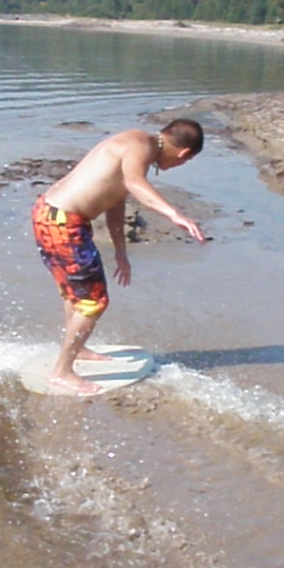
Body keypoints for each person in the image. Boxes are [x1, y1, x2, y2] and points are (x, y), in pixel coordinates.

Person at [32, 118, 206, 394]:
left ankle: (79, 349)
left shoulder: (135, 142)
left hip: (52, 215)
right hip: (63, 223)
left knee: (77, 293)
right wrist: (174, 214)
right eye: (184, 162)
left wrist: (121, 254)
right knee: (93, 302)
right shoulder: (140, 146)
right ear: (184, 154)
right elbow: (136, 184)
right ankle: (62, 372)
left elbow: (116, 205)